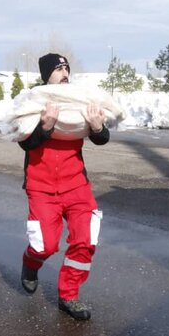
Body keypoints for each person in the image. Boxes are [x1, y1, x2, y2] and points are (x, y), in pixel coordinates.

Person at [19, 53, 109, 321]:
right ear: (47, 74)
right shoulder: (34, 102)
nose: (64, 71)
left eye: (66, 66)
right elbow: (25, 142)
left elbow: (103, 138)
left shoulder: (79, 100)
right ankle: (30, 264)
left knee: (85, 240)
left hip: (76, 185)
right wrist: (45, 126)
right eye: (58, 68)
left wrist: (97, 128)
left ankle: (69, 295)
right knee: (45, 245)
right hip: (41, 186)